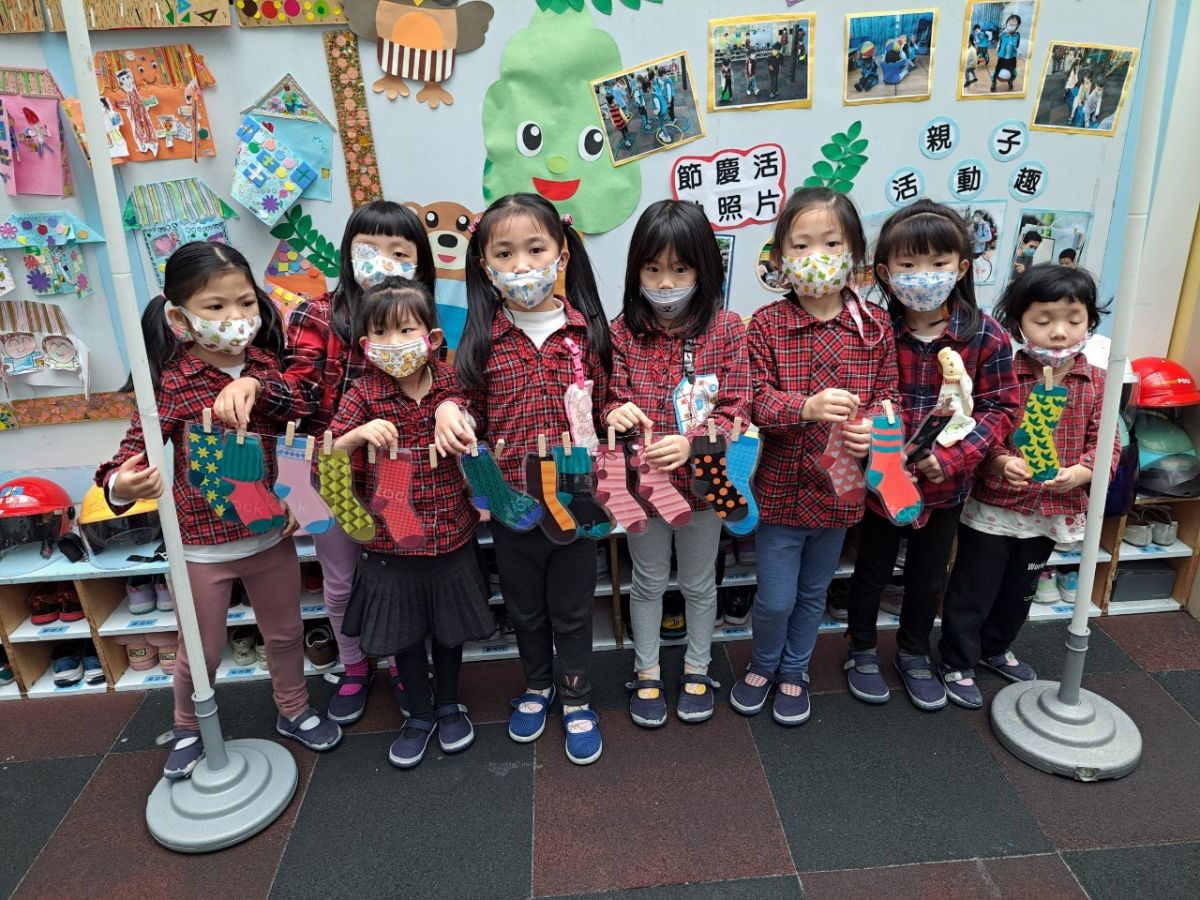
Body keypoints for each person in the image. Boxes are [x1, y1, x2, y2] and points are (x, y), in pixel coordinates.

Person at [95, 242, 342, 780]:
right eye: (216, 306)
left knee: (285, 634)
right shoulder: (172, 383)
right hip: (200, 547)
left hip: (270, 536)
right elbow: (128, 453)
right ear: (180, 318)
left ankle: (294, 708)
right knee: (201, 650)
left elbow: (298, 421)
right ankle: (188, 726)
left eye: (246, 302)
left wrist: (297, 491)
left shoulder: (269, 369)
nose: (236, 317)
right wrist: (121, 482)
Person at [435, 193, 611, 765]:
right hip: (512, 504)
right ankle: (538, 686)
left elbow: (608, 403)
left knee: (573, 610)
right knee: (526, 609)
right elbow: (463, 400)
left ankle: (576, 696)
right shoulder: (482, 338)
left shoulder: (588, 333)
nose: (521, 265)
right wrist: (449, 410)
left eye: (535, 249)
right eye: (504, 254)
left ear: (561, 254)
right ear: (485, 266)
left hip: (576, 500)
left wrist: (620, 413)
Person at [731, 188, 899, 725]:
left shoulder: (875, 328)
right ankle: (762, 663)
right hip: (779, 490)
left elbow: (888, 398)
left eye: (830, 243)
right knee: (775, 598)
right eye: (800, 245)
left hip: (840, 492)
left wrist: (875, 429)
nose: (816, 256)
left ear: (854, 252)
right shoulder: (766, 324)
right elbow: (753, 401)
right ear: (780, 257)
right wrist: (804, 406)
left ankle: (795, 669)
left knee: (813, 593)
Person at [844, 200, 1020, 711]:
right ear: (884, 272)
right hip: (882, 482)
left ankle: (914, 652)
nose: (924, 275)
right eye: (908, 264)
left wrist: (955, 456)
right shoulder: (875, 329)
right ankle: (860, 650)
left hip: (945, 486)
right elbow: (860, 394)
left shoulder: (984, 334)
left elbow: (1002, 406)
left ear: (961, 267)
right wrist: (879, 441)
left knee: (927, 577)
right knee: (871, 572)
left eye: (938, 263)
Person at [276, 200, 436, 726]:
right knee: (341, 579)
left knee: (397, 576)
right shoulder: (318, 314)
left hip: (399, 468)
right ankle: (354, 665)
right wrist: (293, 475)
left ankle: (401, 663)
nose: (384, 261)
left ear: (418, 263)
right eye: (370, 248)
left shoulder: (419, 316)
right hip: (333, 468)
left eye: (400, 252)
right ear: (348, 253)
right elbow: (298, 394)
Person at [330, 280, 493, 766]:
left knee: (449, 631)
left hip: (450, 535)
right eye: (381, 333)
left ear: (432, 337)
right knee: (403, 636)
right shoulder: (363, 393)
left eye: (406, 330)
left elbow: (474, 419)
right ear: (366, 344)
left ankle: (448, 704)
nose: (395, 342)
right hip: (390, 545)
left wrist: (451, 410)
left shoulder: (451, 381)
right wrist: (357, 434)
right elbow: (327, 452)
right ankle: (418, 714)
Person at [603, 200, 751, 728]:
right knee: (646, 582)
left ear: (704, 269)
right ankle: (645, 670)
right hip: (644, 490)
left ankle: (697, 667)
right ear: (635, 271)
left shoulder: (727, 329)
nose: (665, 283)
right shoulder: (621, 332)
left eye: (680, 269)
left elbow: (737, 408)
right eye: (652, 269)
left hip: (705, 489)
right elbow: (609, 398)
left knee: (698, 583)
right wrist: (613, 411)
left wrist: (692, 444)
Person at [939, 265, 1113, 707]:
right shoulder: (1003, 375)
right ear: (1018, 324)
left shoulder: (1098, 383)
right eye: (1043, 320)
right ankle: (957, 659)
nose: (1059, 332)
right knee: (973, 588)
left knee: (1021, 590)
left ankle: (995, 648)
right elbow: (975, 431)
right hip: (995, 506)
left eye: (1073, 319)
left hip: (1051, 510)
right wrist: (999, 462)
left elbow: (1107, 444)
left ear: (1090, 321)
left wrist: (1082, 473)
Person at [992, 14, 1022, 92]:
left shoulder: (1017, 36)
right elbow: (999, 45)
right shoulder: (1002, 35)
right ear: (1006, 23)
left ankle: (1010, 80)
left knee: (1013, 73)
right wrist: (998, 52)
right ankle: (993, 82)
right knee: (996, 72)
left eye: (1014, 21)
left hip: (1012, 59)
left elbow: (1017, 45)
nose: (1011, 22)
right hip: (1002, 58)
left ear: (1017, 25)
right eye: (1009, 21)